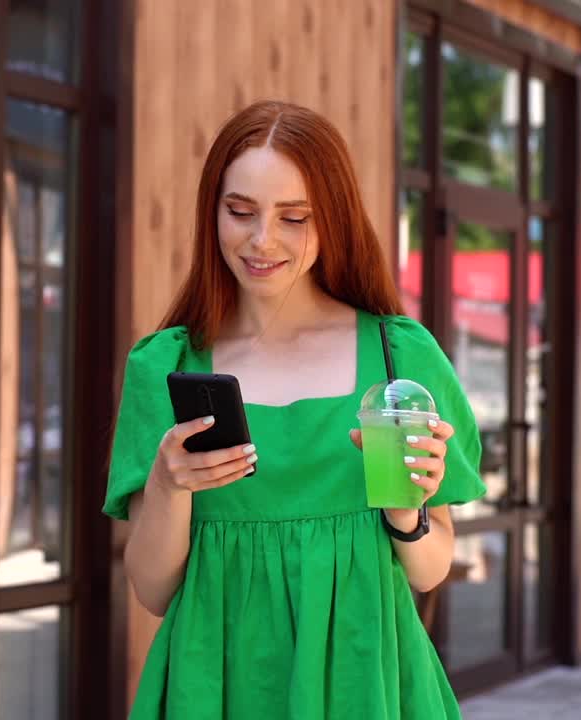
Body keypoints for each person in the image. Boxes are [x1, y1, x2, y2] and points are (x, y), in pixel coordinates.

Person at [103, 100, 486, 719]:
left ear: (332, 219)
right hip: (215, 687)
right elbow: (152, 591)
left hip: (367, 685)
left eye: (294, 217)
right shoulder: (166, 367)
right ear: (212, 212)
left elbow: (429, 570)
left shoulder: (399, 356)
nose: (263, 240)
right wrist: (170, 488)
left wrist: (405, 513)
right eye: (240, 212)